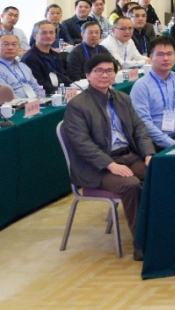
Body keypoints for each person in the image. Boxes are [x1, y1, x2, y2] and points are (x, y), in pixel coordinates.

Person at [61, 53, 155, 259]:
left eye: (109, 71)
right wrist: (110, 164)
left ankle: (162, 233)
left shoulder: (122, 98)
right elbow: (81, 144)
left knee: (159, 174)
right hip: (97, 167)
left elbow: (139, 129)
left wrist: (148, 153)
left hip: (128, 156)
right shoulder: (77, 105)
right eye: (99, 71)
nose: (105, 75)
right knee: (131, 185)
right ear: (88, 75)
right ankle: (142, 243)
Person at [22, 21, 73, 95]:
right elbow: (39, 85)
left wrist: (72, 87)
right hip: (44, 96)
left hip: (60, 92)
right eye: (44, 33)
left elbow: (64, 77)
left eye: (51, 33)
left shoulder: (55, 55)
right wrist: (60, 90)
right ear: (35, 36)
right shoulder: (29, 58)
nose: (48, 36)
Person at [0, 34, 45, 99]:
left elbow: (36, 86)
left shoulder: (23, 66)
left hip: (34, 102)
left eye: (14, 44)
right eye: (5, 44)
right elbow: (5, 96)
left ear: (19, 48)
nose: (10, 48)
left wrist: (40, 99)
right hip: (14, 104)